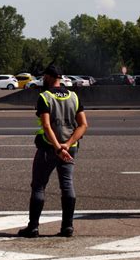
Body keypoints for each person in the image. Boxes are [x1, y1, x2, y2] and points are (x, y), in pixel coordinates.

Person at [18, 64, 88, 238]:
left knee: (39, 186)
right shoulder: (74, 96)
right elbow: (83, 125)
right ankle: (67, 227)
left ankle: (33, 227)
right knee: (67, 185)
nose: (42, 79)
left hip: (49, 149)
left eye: (44, 76)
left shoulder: (45, 97)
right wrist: (67, 145)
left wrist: (57, 148)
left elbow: (47, 125)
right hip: (70, 148)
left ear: (50, 77)